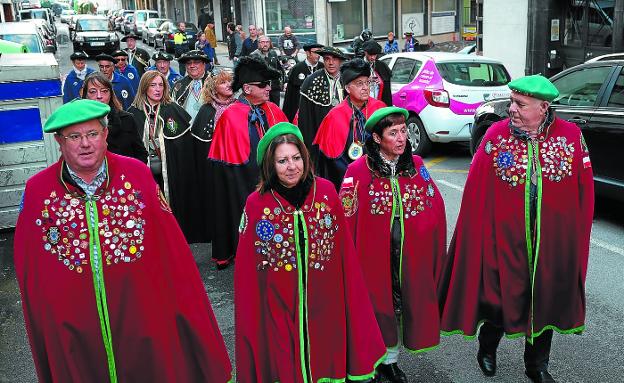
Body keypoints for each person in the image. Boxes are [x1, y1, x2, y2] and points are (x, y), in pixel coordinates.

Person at [14, 99, 233, 382]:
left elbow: (172, 252)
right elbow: (30, 269)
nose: (85, 144)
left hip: (142, 320)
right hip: (75, 332)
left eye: (92, 134)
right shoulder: (38, 191)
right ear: (59, 141)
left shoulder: (137, 175)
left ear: (105, 135)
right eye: (74, 137)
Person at [437, 75, 594, 383]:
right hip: (504, 239)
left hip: (550, 241)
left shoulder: (571, 136)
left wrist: (574, 238)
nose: (511, 109)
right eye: (511, 102)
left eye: (520, 104)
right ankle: (488, 345)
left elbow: (583, 190)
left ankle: (536, 366)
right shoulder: (495, 136)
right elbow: (476, 191)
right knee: (498, 300)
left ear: (543, 107)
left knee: (543, 302)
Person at [234, 121, 387, 382]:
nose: (291, 166)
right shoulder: (256, 204)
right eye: (282, 161)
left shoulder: (326, 192)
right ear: (270, 165)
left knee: (325, 358)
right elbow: (248, 271)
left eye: (296, 158)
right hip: (278, 305)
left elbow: (345, 255)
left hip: (326, 303)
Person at [339, 107, 447, 383]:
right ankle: (369, 361)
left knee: (399, 308)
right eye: (393, 133)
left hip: (410, 254)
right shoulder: (357, 171)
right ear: (376, 138)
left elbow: (434, 203)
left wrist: (429, 239)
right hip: (373, 256)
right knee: (375, 308)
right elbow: (346, 215)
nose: (402, 139)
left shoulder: (418, 165)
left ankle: (390, 360)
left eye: (403, 131)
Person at [208, 56, 287, 269]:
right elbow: (226, 163)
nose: (268, 89)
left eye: (269, 84)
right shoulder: (230, 116)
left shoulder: (273, 110)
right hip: (241, 181)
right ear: (247, 88)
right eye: (263, 85)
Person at [126, 70, 205, 243]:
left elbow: (184, 146)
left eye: (161, 85)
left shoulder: (173, 109)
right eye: (153, 85)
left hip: (170, 169)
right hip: (145, 170)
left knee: (170, 202)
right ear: (144, 87)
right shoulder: (134, 112)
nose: (157, 89)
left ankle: (174, 236)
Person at [313, 58, 386, 189]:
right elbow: (331, 162)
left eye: (367, 83)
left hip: (379, 176)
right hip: (347, 180)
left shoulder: (379, 108)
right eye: (359, 84)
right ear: (347, 88)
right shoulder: (334, 116)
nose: (365, 88)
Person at [189, 71, 236, 244]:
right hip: (214, 169)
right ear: (213, 88)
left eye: (230, 81)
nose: (228, 85)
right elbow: (199, 146)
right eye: (223, 82)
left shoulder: (239, 106)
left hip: (235, 165)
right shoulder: (206, 111)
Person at [81, 72, 147, 163]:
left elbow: (141, 154)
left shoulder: (127, 119)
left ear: (111, 94)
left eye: (104, 91)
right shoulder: (78, 124)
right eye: (93, 91)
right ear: (85, 95)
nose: (99, 96)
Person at [297, 46, 347, 148]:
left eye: (335, 59)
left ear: (340, 61)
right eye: (327, 59)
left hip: (345, 135)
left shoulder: (348, 79)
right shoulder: (311, 81)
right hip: (321, 138)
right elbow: (305, 120)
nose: (331, 63)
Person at [282, 43, 324, 122]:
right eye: (316, 52)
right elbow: (290, 94)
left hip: (319, 109)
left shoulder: (323, 68)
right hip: (301, 109)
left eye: (320, 53)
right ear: (308, 53)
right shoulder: (297, 68)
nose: (318, 55)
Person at [172, 50, 212, 124]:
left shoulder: (215, 83)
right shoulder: (179, 85)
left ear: (204, 64)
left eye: (196, 62)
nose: (192, 66)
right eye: (189, 63)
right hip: (185, 129)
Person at [251, 35, 284, 105]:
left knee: (275, 109)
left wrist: (285, 81)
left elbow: (279, 68)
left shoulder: (273, 53)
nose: (265, 44)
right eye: (262, 42)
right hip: (261, 89)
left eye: (267, 42)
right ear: (259, 44)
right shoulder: (254, 55)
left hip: (275, 88)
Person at [362, 40, 393, 106]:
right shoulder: (358, 65)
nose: (373, 57)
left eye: (375, 55)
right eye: (370, 55)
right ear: (365, 53)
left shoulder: (382, 66)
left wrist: (381, 83)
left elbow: (387, 92)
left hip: (378, 103)